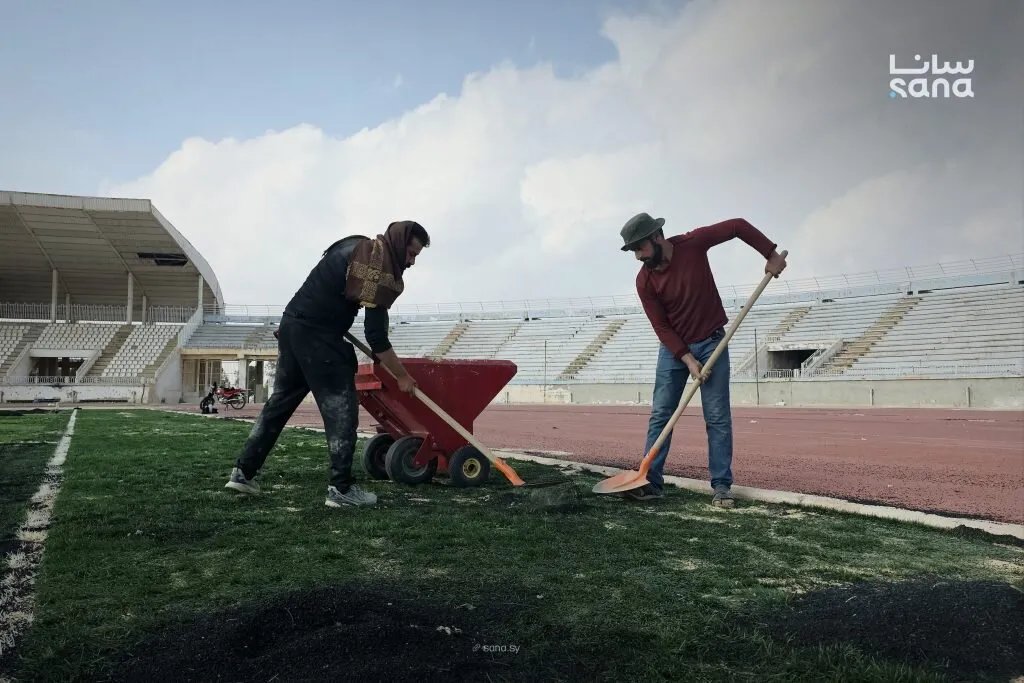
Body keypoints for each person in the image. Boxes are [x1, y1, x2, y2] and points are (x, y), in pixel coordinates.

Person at [225, 221, 429, 507]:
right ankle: (341, 489)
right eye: (411, 253)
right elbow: (376, 336)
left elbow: (316, 287)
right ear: (398, 244)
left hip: (293, 325)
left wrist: (299, 327)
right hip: (318, 336)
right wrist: (402, 376)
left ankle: (243, 472)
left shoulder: (355, 245)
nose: (411, 262)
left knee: (278, 405)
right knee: (342, 411)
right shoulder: (377, 265)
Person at [619, 212, 786, 506]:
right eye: (633, 251)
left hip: (711, 341)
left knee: (717, 416)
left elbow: (737, 226)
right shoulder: (644, 281)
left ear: (656, 237)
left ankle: (722, 485)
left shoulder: (693, 244)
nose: (638, 256)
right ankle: (651, 482)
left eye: (640, 248)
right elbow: (661, 327)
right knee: (662, 414)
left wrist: (770, 254)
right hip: (674, 349)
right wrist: (687, 359)